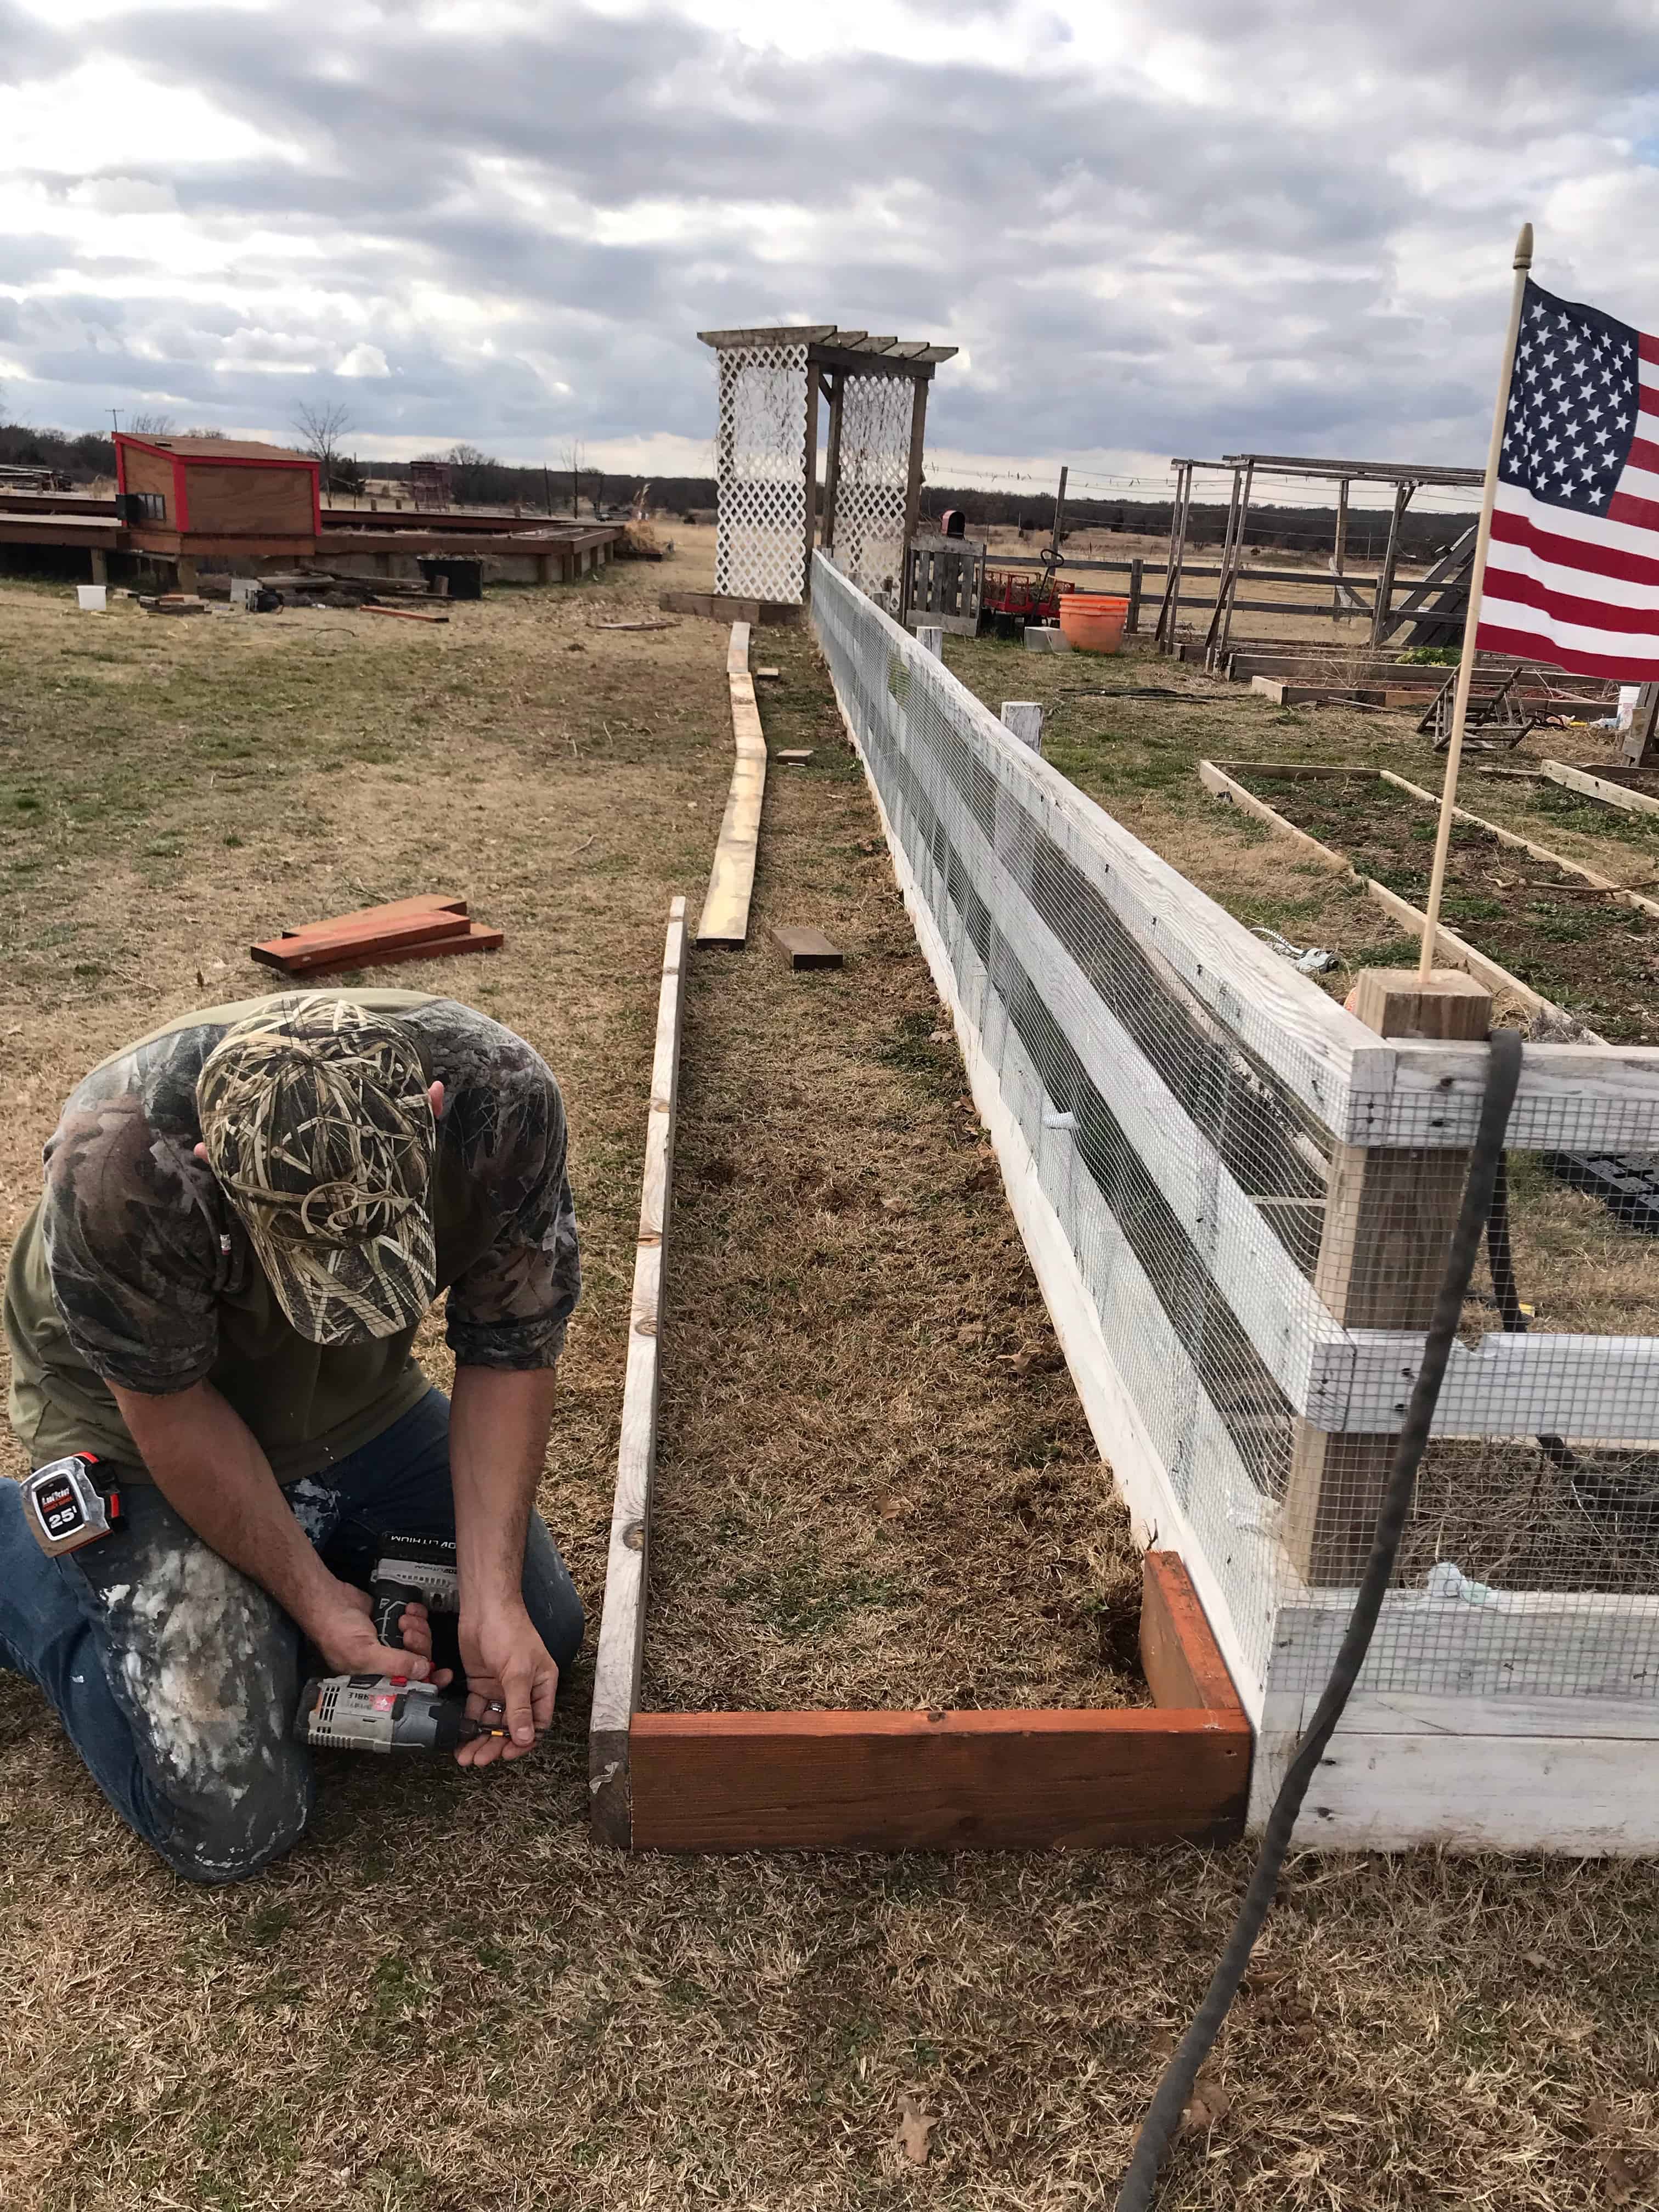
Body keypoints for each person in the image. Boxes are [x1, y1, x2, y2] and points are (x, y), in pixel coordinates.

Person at [0, 988, 584, 1883]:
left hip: (350, 1401)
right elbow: (171, 1410)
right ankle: (24, 1558)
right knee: (234, 1817)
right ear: (210, 1167)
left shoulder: (500, 1102)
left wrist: (496, 1598)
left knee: (532, 1631)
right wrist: (316, 1604)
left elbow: (509, 1350)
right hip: (136, 1413)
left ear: (431, 1112)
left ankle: (269, 1591)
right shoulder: (123, 1163)